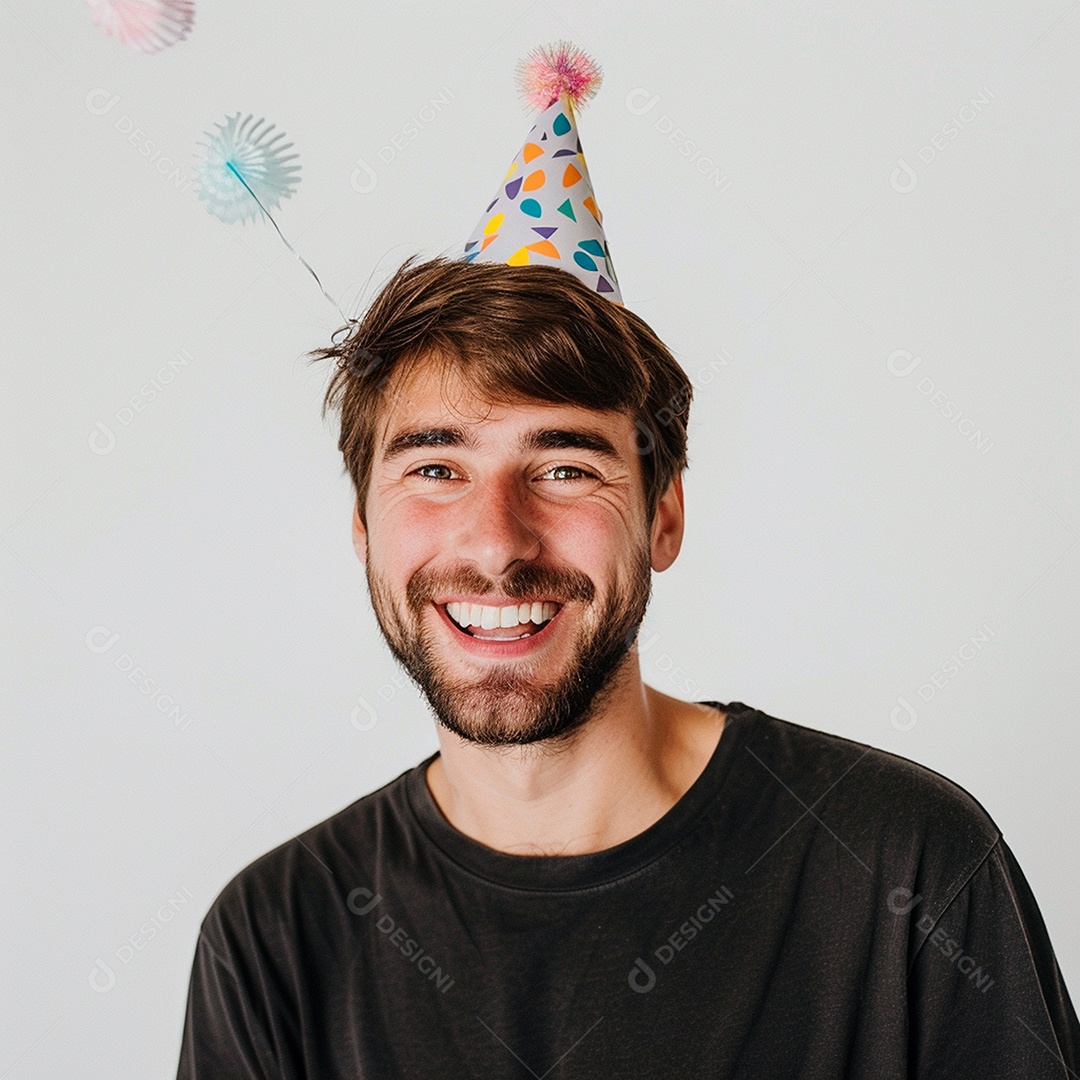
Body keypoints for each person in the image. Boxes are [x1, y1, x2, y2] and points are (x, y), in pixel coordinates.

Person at [176, 46, 1079, 1078]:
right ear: (362, 529)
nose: (495, 542)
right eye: (434, 468)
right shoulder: (274, 943)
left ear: (664, 517)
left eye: (564, 468)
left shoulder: (905, 865)